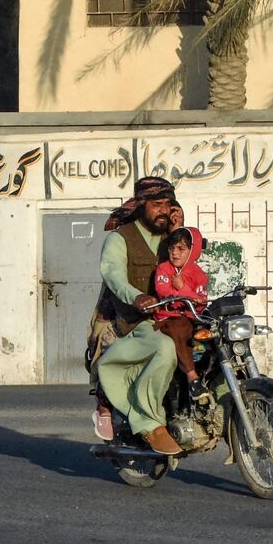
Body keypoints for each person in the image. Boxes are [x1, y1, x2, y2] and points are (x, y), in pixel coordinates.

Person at [93, 176, 183, 455]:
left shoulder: (174, 237)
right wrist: (137, 297)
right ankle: (149, 422)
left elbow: (193, 267)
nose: (163, 211)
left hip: (173, 316)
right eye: (157, 205)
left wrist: (180, 230)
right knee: (166, 347)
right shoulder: (120, 239)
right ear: (141, 205)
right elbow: (114, 276)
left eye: (168, 205)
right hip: (136, 321)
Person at [152, 226, 211, 403]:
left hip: (192, 318)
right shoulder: (163, 269)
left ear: (193, 250)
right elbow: (163, 291)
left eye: (181, 249)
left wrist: (182, 288)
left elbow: (202, 301)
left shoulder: (200, 275)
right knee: (181, 328)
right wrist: (186, 294)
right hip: (168, 318)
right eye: (172, 248)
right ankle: (193, 379)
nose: (175, 253)